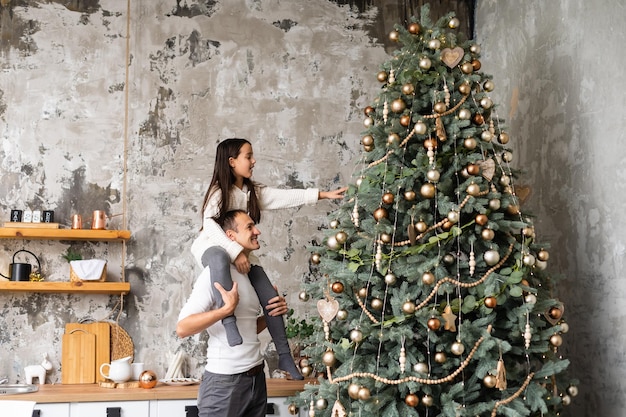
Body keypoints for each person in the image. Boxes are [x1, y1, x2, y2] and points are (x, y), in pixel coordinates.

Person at [190, 138, 346, 380]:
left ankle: (284, 355)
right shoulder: (219, 192)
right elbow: (209, 225)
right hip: (211, 247)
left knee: (270, 296)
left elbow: (284, 197)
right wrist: (235, 251)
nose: (253, 161)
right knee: (220, 259)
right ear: (232, 162)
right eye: (248, 156)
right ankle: (229, 321)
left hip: (239, 251)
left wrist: (322, 194)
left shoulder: (252, 191)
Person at [177, 210, 288, 417]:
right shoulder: (213, 274)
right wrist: (225, 310)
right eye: (249, 227)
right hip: (224, 383)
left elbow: (247, 328)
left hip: (256, 377)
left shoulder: (250, 274)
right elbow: (182, 328)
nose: (257, 231)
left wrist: (272, 313)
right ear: (230, 236)